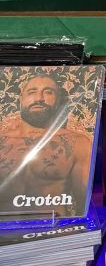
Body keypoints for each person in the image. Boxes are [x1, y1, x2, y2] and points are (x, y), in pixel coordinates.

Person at [0, 73, 93, 217]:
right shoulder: (2, 140)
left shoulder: (77, 143)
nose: (39, 98)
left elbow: (84, 205)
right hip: (4, 231)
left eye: (48, 92)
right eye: (32, 92)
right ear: (21, 100)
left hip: (55, 232)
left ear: (58, 101)